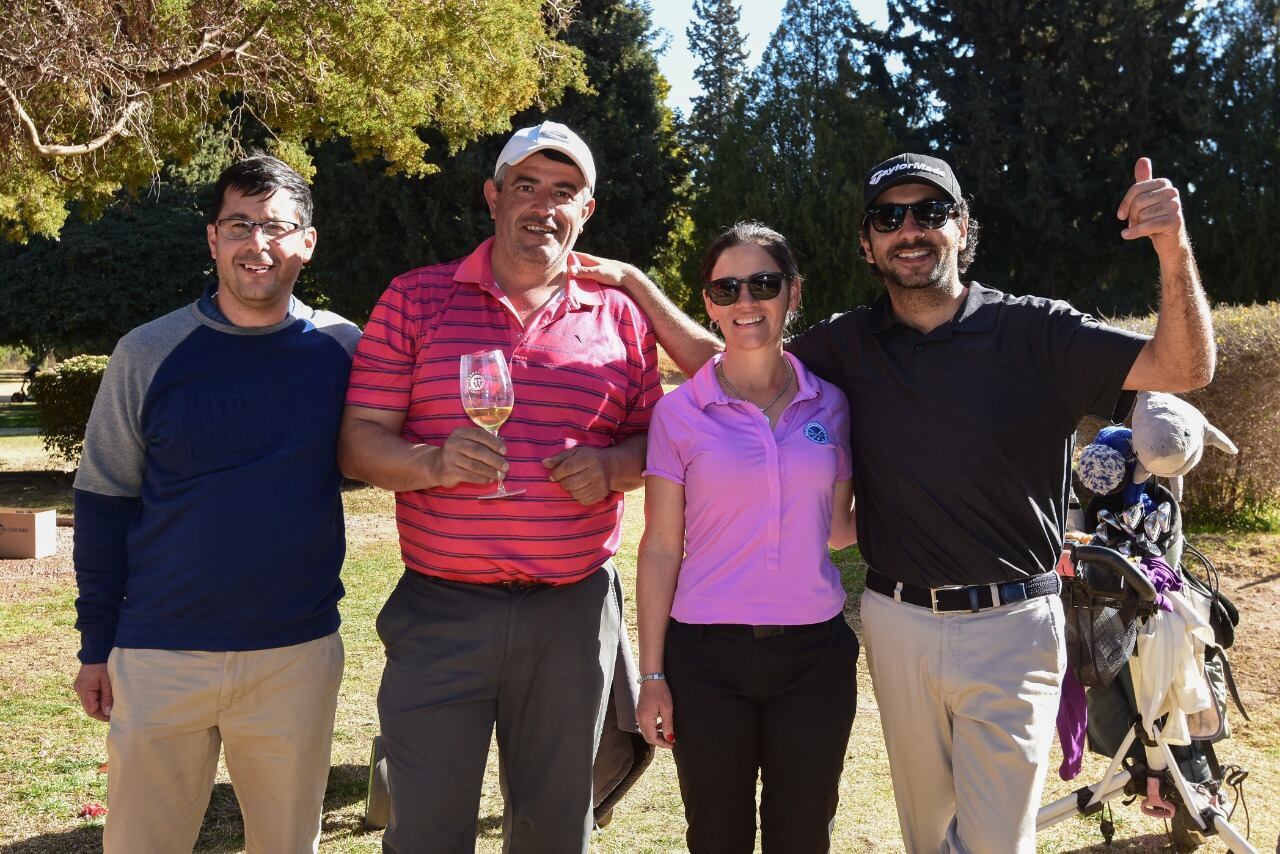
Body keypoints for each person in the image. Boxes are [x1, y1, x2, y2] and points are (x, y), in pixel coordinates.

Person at [579, 152, 1214, 852]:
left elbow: (1183, 367)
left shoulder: (1037, 332)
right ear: (867, 242)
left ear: (963, 226)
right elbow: (735, 353)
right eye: (889, 216)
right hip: (896, 623)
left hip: (1013, 628)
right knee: (926, 838)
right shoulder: (847, 345)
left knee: (995, 842)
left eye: (930, 212)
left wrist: (1171, 243)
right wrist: (638, 287)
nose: (909, 230)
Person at [337, 120, 662, 853]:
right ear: (493, 196)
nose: (543, 205)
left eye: (564, 191)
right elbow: (359, 443)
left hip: (572, 614)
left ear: (588, 211)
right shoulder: (416, 300)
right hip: (441, 608)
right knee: (427, 829)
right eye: (526, 186)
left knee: (554, 828)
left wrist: (613, 468)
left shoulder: (621, 316)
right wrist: (431, 464)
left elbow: (666, 444)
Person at [71, 155, 361, 853]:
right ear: (211, 238)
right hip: (158, 652)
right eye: (239, 225)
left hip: (294, 654)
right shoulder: (147, 353)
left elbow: (373, 458)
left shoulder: (345, 350)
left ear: (308, 243)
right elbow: (105, 500)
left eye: (276, 227)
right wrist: (94, 646)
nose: (256, 244)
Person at [634, 222, 858, 853]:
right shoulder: (679, 413)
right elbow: (657, 548)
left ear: (792, 292)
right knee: (717, 836)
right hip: (706, 661)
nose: (745, 302)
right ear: (708, 302)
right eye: (726, 288)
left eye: (762, 283)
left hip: (815, 658)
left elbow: (840, 531)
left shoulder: (832, 404)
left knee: (804, 834)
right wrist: (653, 674)